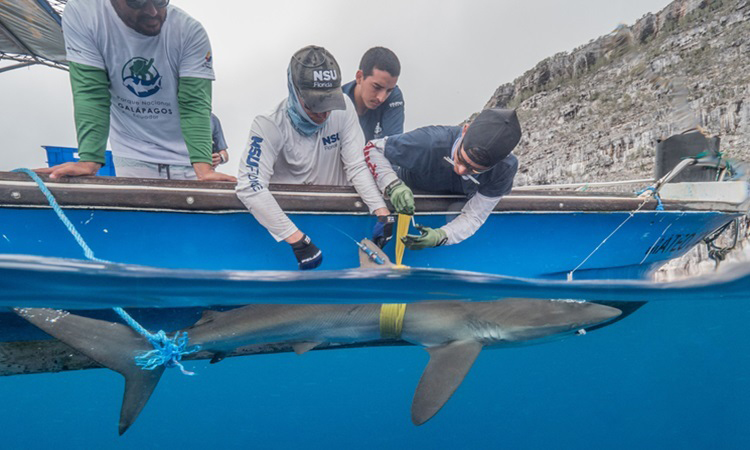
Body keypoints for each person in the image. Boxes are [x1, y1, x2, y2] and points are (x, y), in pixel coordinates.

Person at [37, 0, 235, 182]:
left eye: (160, 1)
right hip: (133, 155)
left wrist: (204, 170)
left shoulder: (189, 31)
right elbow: (91, 93)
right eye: (137, 2)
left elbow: (194, 105)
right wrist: (88, 161)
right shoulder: (84, 13)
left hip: (189, 159)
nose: (152, 11)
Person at [236, 45, 391, 270]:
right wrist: (297, 240)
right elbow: (249, 186)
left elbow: (357, 165)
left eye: (328, 104)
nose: (323, 114)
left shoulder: (344, 108)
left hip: (337, 221)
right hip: (288, 231)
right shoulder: (268, 124)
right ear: (294, 91)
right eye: (314, 105)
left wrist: (382, 212)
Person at [364, 108, 522, 249]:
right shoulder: (429, 141)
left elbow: (474, 216)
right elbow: (373, 148)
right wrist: (393, 185)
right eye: (460, 158)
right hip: (408, 190)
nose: (460, 170)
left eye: (473, 170)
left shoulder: (505, 169)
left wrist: (442, 236)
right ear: (465, 131)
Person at [342, 47, 404, 142]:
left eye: (389, 90)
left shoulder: (394, 97)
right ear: (359, 77)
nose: (381, 98)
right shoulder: (337, 103)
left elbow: (393, 147)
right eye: (377, 87)